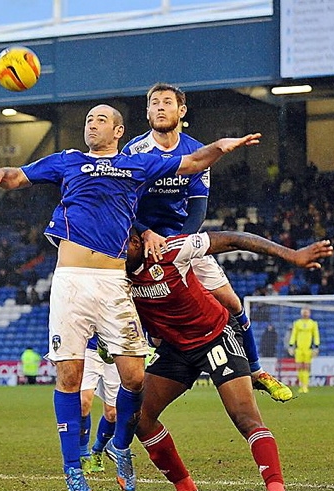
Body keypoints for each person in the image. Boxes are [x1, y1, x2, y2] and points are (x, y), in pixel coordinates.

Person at [0, 103, 261, 491]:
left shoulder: (137, 166)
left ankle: (120, 445)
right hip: (71, 281)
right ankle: (73, 468)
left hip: (113, 281)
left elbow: (194, 161)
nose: (92, 124)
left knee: (135, 376)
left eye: (100, 119)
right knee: (70, 378)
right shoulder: (68, 161)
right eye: (88, 119)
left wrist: (221, 146)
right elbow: (17, 175)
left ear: (119, 130)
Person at [125, 228, 332, 491]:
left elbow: (234, 239)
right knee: (139, 418)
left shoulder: (173, 250)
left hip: (215, 336)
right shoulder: (113, 274)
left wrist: (292, 255)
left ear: (137, 242)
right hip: (177, 349)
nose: (114, 253)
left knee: (245, 418)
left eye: (120, 246)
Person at [122, 82, 292, 403]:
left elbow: (198, 206)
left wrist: (179, 244)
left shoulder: (198, 152)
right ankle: (142, 348)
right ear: (147, 112)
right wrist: (145, 233)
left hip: (182, 239)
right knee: (123, 299)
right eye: (154, 103)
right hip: (138, 240)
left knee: (232, 303)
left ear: (181, 111)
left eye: (167, 102)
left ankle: (256, 370)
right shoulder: (134, 151)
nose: (160, 107)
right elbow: (124, 205)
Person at [80, 335, 120, 474]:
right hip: (89, 350)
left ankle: (97, 451)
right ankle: (83, 455)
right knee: (83, 403)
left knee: (112, 413)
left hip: (115, 351)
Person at [288, 308, 320, 393]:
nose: (305, 314)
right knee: (299, 367)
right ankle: (301, 385)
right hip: (299, 349)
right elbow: (294, 335)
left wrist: (316, 346)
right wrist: (291, 345)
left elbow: (316, 335)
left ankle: (305, 386)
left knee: (306, 367)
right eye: (304, 312)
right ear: (301, 313)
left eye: (307, 312)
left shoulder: (313, 323)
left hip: (308, 349)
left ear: (309, 313)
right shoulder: (297, 323)